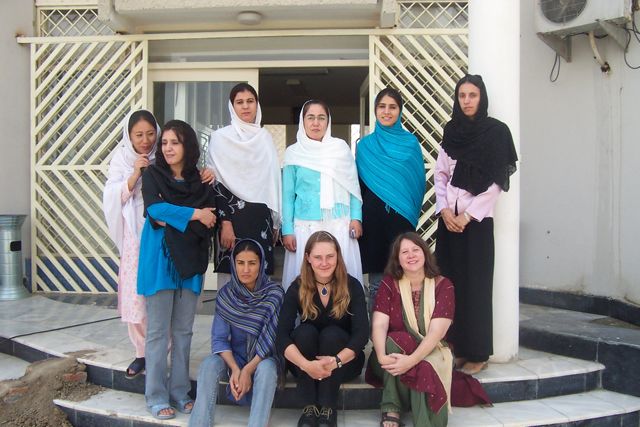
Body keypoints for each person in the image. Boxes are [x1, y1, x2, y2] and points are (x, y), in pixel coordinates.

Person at [434, 74, 517, 375]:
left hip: (476, 223)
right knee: (449, 284)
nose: (467, 101)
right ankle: (454, 344)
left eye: (473, 95)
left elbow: (498, 183)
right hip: (448, 222)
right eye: (462, 96)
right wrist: (444, 210)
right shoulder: (451, 131)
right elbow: (441, 174)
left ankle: (478, 351)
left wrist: (467, 215)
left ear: (482, 98)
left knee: (477, 286)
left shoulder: (496, 133)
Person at [138, 120, 217, 420]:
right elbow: (155, 211)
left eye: (175, 142)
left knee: (184, 332)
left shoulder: (200, 180)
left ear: (188, 147)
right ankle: (156, 396)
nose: (168, 148)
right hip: (160, 262)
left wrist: (184, 216)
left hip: (191, 264)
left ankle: (180, 391)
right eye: (165, 143)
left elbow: (211, 217)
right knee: (158, 333)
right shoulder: (153, 175)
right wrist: (194, 213)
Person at [276, 231, 369, 427]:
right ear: (308, 258)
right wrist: (306, 365)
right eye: (318, 257)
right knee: (304, 332)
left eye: (330, 256)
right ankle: (309, 407)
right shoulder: (297, 286)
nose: (324, 263)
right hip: (305, 364)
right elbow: (281, 336)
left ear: (338, 256)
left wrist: (335, 361)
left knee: (332, 334)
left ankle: (328, 407)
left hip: (344, 362)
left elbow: (361, 335)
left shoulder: (352, 286)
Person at [189, 239, 284, 427]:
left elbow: (272, 340)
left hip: (262, 359)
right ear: (233, 264)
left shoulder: (275, 294)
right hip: (235, 359)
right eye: (240, 263)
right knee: (209, 364)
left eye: (252, 263)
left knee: (266, 369)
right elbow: (219, 338)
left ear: (261, 264)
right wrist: (235, 369)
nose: (246, 270)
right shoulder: (226, 294)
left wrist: (248, 370)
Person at [367, 232, 455, 427]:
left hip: (432, 353)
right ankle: (391, 407)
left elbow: (436, 333)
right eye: (404, 252)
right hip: (389, 357)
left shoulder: (444, 286)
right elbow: (380, 324)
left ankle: (418, 419)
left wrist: (411, 361)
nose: (411, 255)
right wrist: (381, 356)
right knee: (395, 341)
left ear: (425, 253)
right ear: (397, 259)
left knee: (423, 368)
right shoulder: (389, 284)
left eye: (416, 250)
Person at [281, 100, 363, 291]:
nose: (316, 123)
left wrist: (356, 218)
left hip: (339, 224)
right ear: (303, 121)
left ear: (328, 122)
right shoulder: (293, 153)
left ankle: (341, 319)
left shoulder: (340, 149)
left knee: (340, 280)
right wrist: (287, 229)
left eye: (321, 118)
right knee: (305, 281)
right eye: (311, 118)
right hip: (305, 226)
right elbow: (287, 195)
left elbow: (352, 186)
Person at [355, 88, 426, 306]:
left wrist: (407, 208)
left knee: (404, 278)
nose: (387, 112)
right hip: (373, 221)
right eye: (382, 106)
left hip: (401, 220)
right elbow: (358, 187)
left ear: (400, 111)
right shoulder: (365, 146)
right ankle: (377, 337)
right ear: (375, 110)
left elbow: (417, 183)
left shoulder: (410, 144)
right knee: (377, 283)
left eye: (392, 107)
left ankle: (402, 335)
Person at [103, 110, 160, 379]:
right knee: (136, 297)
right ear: (130, 136)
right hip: (134, 237)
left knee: (159, 295)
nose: (146, 140)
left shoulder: (165, 155)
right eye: (139, 135)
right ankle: (141, 353)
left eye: (150, 134)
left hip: (160, 235)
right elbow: (112, 196)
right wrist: (135, 174)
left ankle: (161, 351)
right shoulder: (122, 159)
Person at [207, 83, 281, 277]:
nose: (246, 106)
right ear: (232, 107)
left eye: (250, 101)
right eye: (239, 102)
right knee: (231, 278)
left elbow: (272, 181)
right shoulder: (220, 138)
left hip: (260, 218)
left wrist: (274, 222)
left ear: (257, 105)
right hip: (231, 218)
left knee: (259, 279)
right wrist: (225, 223)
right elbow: (217, 184)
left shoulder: (264, 138)